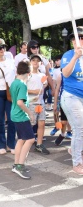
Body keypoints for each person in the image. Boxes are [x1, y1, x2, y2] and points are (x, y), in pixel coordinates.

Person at [60, 26, 83, 175]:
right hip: (71, 97)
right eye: (75, 38)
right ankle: (77, 163)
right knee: (79, 129)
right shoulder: (68, 55)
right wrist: (75, 56)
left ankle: (74, 149)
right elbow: (66, 74)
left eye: (81, 37)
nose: (78, 40)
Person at [10, 61, 35, 179]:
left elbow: (17, 100)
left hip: (14, 114)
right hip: (21, 116)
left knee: (21, 139)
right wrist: (30, 113)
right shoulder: (22, 85)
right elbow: (20, 102)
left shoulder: (14, 82)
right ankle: (20, 165)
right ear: (28, 72)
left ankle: (16, 165)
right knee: (30, 139)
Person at [27, 54, 49, 155]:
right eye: (33, 60)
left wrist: (45, 85)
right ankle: (25, 142)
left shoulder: (42, 75)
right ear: (30, 62)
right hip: (31, 103)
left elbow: (43, 87)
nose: (35, 62)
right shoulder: (27, 75)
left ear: (40, 63)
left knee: (42, 123)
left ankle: (39, 144)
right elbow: (22, 88)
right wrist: (33, 91)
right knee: (30, 124)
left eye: (38, 61)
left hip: (41, 103)